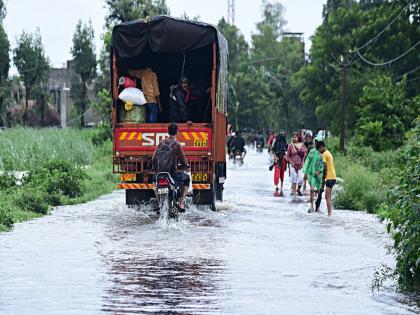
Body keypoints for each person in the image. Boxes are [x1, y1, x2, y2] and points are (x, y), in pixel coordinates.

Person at [152, 123, 190, 211]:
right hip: (173, 173)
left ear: (167, 132)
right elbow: (183, 159)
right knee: (187, 178)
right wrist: (186, 166)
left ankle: (158, 202)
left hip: (160, 173)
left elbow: (154, 157)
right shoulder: (177, 145)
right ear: (177, 132)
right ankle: (181, 203)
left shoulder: (161, 143)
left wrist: (155, 168)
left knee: (154, 181)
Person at [302, 139, 324, 212]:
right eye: (315, 143)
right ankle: (311, 206)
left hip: (319, 174)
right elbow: (307, 162)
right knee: (311, 189)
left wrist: (320, 171)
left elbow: (323, 164)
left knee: (318, 191)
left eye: (317, 143)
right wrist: (305, 173)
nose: (316, 144)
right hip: (312, 173)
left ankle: (318, 207)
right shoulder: (311, 152)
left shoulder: (322, 153)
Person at [317, 141, 336, 216]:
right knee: (329, 196)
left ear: (321, 147)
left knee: (327, 196)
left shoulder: (324, 154)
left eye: (319, 150)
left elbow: (325, 168)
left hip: (329, 177)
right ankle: (330, 213)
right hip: (333, 176)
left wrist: (323, 179)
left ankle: (329, 214)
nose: (319, 152)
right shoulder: (328, 153)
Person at [287, 132, 307, 198]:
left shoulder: (302, 145)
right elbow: (288, 156)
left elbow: (304, 154)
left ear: (298, 138)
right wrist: (291, 163)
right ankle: (295, 194)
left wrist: (302, 162)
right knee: (294, 178)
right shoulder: (290, 145)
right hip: (293, 165)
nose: (294, 138)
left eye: (295, 137)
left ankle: (298, 189)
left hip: (300, 164)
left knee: (301, 179)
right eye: (293, 137)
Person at [269, 131, 288, 195]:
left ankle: (281, 186)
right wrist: (275, 157)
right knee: (277, 173)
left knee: (282, 173)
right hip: (277, 159)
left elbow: (287, 151)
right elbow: (273, 150)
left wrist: (286, 156)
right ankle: (276, 186)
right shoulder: (276, 142)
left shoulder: (286, 142)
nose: (282, 136)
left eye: (283, 134)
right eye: (281, 134)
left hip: (283, 160)